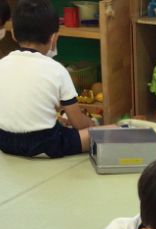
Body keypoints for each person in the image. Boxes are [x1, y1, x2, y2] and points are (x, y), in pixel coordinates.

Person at [0, 0, 93, 158]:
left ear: (14, 33)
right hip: (45, 143)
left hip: (5, 141)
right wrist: (92, 125)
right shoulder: (57, 70)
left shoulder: (2, 63)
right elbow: (78, 123)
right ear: (54, 37)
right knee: (97, 134)